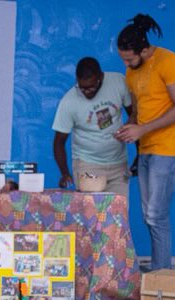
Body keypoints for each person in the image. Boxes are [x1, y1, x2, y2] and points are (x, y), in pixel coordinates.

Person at [114, 13, 175, 270]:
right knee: (149, 215)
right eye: (123, 59)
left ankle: (161, 272)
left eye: (129, 58)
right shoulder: (132, 71)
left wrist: (143, 129)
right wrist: (130, 126)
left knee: (156, 214)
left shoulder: (169, 62)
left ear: (145, 51)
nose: (126, 64)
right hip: (146, 148)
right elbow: (139, 109)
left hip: (168, 148)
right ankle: (160, 267)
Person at [52, 57, 132, 198]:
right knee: (91, 210)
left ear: (101, 77)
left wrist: (139, 154)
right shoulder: (69, 101)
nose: (87, 92)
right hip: (88, 165)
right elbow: (59, 142)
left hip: (119, 164)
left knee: (119, 210)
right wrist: (65, 173)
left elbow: (134, 115)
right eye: (82, 88)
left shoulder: (118, 82)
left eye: (92, 87)